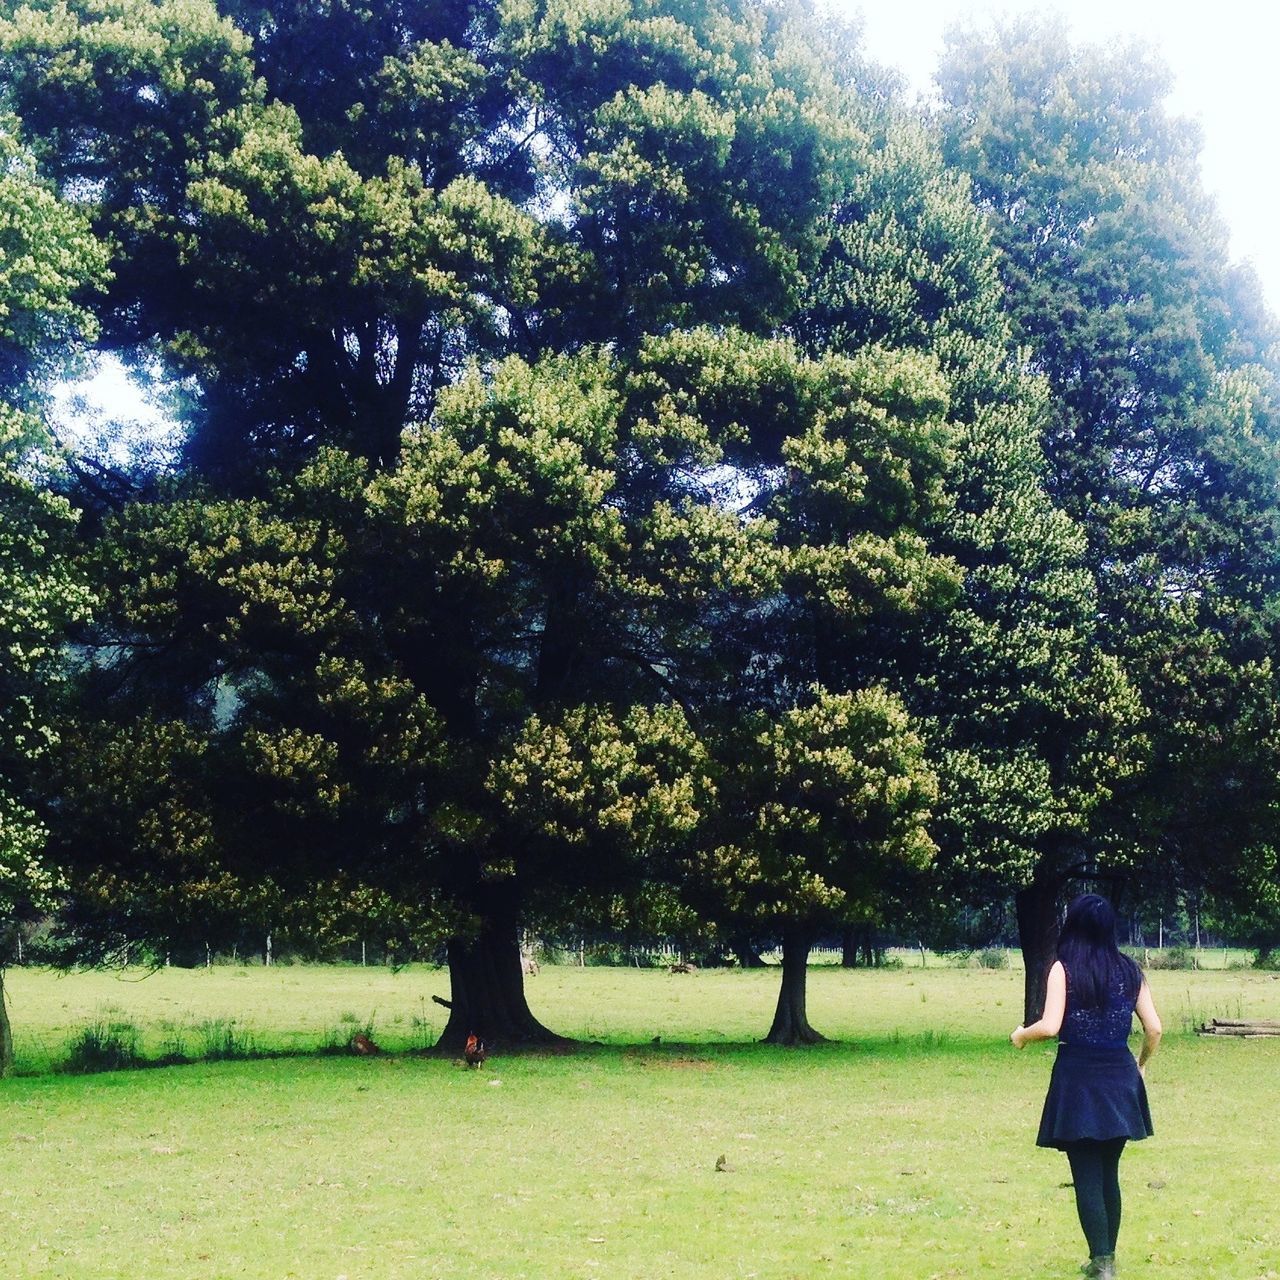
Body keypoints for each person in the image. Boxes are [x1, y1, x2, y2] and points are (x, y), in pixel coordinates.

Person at [1011, 894, 1162, 1279]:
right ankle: (1104, 1258)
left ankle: (1103, 1263)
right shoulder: (1130, 970)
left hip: (1078, 1079)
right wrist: (1140, 1065)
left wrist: (1022, 1035)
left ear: (1074, 925)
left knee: (1086, 1174)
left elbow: (1050, 1025)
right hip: (1119, 1077)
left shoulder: (1064, 969)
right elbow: (1154, 1028)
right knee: (1108, 1171)